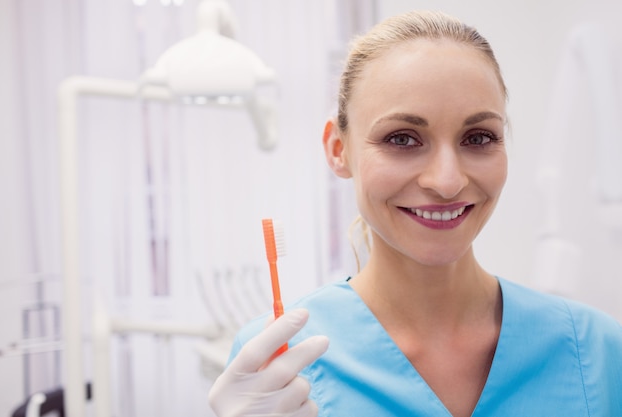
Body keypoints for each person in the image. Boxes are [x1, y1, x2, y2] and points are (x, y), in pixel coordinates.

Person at [208, 10, 622, 417]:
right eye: (402, 138)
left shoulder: (596, 352)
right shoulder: (275, 366)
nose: (446, 181)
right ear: (338, 150)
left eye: (478, 137)